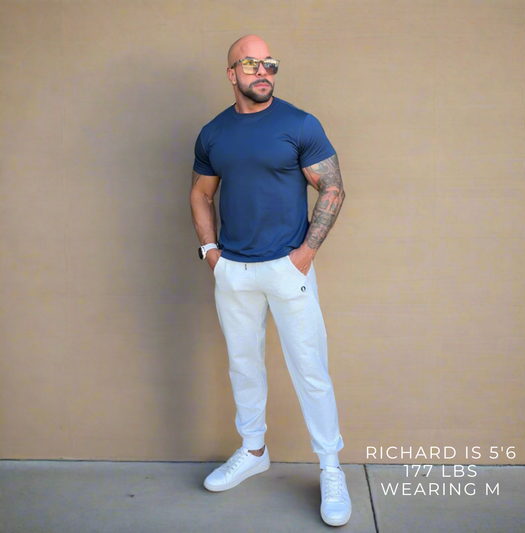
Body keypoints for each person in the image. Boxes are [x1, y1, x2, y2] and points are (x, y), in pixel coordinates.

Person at [189, 34, 351, 527]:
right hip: (233, 272)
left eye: (270, 64)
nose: (263, 72)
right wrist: (211, 253)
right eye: (251, 64)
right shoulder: (213, 133)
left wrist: (305, 254)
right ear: (231, 73)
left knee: (310, 369)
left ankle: (330, 468)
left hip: (287, 268)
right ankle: (253, 450)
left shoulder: (299, 124)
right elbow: (200, 193)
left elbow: (332, 188)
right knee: (243, 364)